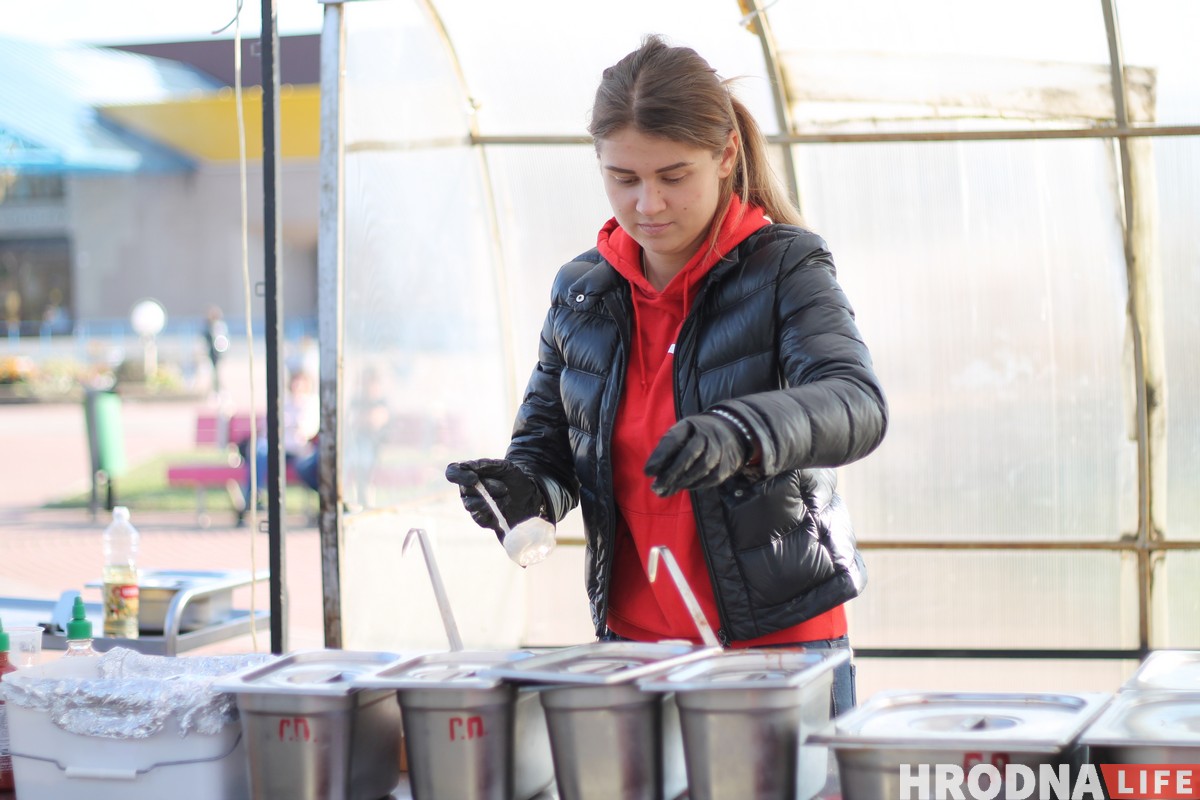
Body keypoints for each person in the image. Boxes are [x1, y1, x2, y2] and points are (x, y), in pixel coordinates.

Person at [445, 35, 887, 715]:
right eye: (623, 178)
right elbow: (552, 449)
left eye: (673, 176)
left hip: (776, 651)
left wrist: (741, 431)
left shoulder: (785, 267)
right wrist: (523, 491)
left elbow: (856, 404)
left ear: (725, 157)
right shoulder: (581, 292)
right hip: (631, 652)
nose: (647, 203)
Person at [233, 368, 319, 525]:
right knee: (260, 449)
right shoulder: (282, 402)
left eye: (301, 382)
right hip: (277, 448)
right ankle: (254, 496)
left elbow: (306, 430)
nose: (297, 386)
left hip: (297, 450)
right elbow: (267, 428)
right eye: (295, 382)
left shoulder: (312, 403)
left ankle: (251, 500)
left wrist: (289, 424)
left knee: (303, 465)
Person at [203, 306, 229, 395]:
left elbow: (222, 340)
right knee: (212, 372)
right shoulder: (207, 326)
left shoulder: (219, 326)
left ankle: (220, 391)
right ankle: (215, 390)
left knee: (219, 373)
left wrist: (222, 351)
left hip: (218, 353)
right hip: (211, 353)